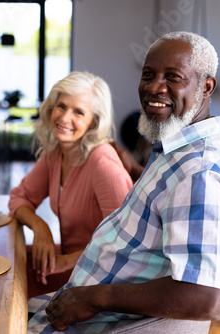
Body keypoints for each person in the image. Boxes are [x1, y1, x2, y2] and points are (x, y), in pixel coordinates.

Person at [27, 31, 220, 333]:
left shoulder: (201, 174)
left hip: (95, 320)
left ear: (206, 87)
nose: (154, 87)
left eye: (173, 77)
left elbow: (208, 297)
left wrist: (95, 298)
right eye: (149, 74)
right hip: (78, 305)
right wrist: (135, 169)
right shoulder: (174, 150)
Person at [9, 71, 133, 298]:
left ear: (93, 122)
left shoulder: (102, 162)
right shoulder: (56, 153)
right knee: (5, 271)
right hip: (71, 267)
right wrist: (40, 227)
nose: (65, 118)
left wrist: (64, 261)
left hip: (100, 280)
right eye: (62, 106)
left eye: (78, 112)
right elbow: (19, 198)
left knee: (12, 286)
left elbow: (122, 241)